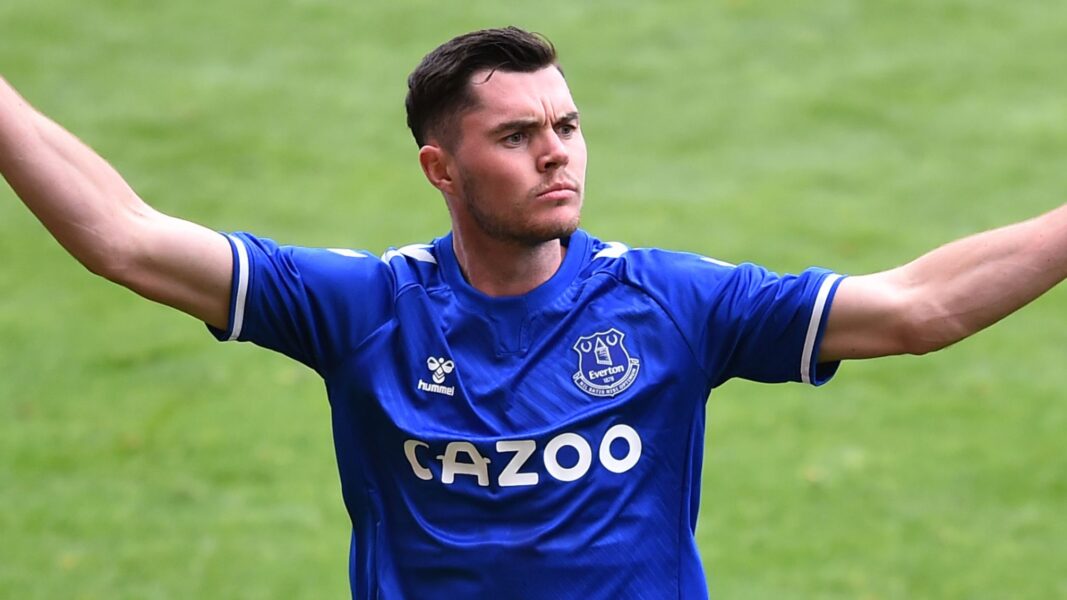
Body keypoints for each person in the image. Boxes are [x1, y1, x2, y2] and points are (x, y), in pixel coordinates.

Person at [2, 25, 1065, 599]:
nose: (556, 154)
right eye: (515, 136)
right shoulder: (364, 308)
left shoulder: (668, 303)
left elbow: (919, 308)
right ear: (441, 168)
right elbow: (123, 237)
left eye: (566, 125)